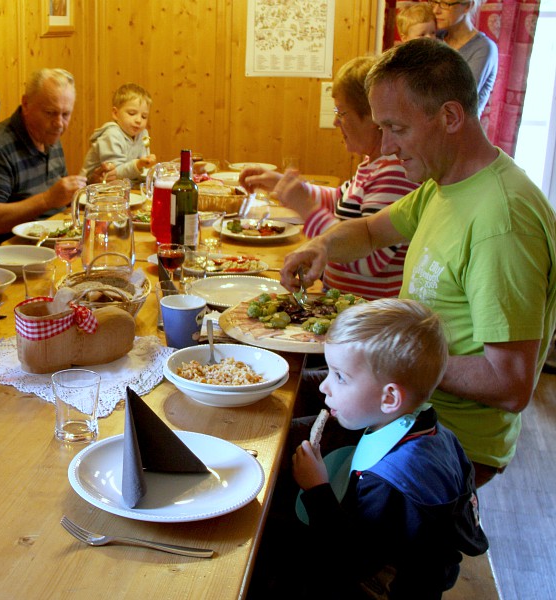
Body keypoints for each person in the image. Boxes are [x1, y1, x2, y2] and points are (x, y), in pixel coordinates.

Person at [281, 38, 556, 487]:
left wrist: (388, 361)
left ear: (450, 116)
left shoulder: (502, 223)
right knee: (270, 401)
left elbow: (510, 385)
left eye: (397, 128)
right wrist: (322, 247)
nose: (385, 146)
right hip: (399, 409)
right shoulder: (447, 182)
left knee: (273, 478)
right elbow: (370, 231)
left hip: (442, 446)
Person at [283, 299, 487, 599]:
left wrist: (316, 489)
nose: (325, 386)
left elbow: (350, 560)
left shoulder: (390, 483)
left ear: (390, 399)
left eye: (339, 376)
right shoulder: (428, 429)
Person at [240, 56, 419, 301]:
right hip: (343, 304)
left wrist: (306, 207)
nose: (336, 121)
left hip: (366, 316)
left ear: (373, 117)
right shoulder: (373, 164)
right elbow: (338, 199)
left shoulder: (394, 173)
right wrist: (282, 183)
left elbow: (369, 260)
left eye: (342, 113)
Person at [0, 68, 114, 246]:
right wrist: (46, 200)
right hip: (15, 255)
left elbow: (60, 201)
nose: (58, 123)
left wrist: (90, 185)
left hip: (54, 243)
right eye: (50, 113)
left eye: (65, 114)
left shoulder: (49, 136)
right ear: (26, 104)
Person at [80, 83, 157, 184]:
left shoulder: (143, 134)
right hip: (91, 190)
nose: (139, 120)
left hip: (122, 187)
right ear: (115, 114)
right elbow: (114, 173)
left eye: (144, 116)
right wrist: (138, 164)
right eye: (132, 113)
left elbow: (143, 168)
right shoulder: (111, 134)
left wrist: (148, 164)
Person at [432, 0, 497, 114]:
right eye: (434, 2)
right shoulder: (434, 37)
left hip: (460, 130)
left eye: (446, 4)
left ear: (468, 6)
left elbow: (459, 99)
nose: (435, 10)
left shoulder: (483, 48)